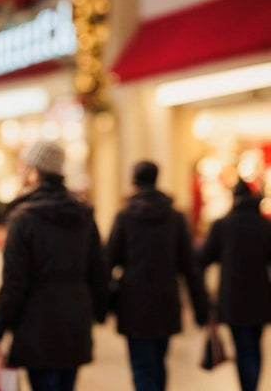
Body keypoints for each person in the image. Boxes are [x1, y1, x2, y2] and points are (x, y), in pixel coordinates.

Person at [0, 140, 109, 391]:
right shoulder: (83, 212)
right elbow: (98, 268)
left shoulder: (24, 217)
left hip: (36, 324)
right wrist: (100, 310)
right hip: (75, 319)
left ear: (35, 171)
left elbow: (14, 281)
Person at [106, 160, 209, 391]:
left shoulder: (125, 216)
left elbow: (108, 261)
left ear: (134, 181)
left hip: (133, 301)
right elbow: (190, 267)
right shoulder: (174, 217)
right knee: (159, 361)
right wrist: (201, 308)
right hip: (166, 299)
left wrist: (100, 306)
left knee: (141, 365)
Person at [198, 177, 271, 391]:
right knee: (255, 345)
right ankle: (252, 385)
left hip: (232, 297)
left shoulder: (223, 225)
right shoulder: (265, 226)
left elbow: (202, 258)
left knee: (242, 346)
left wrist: (204, 296)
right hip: (260, 297)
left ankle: (247, 386)